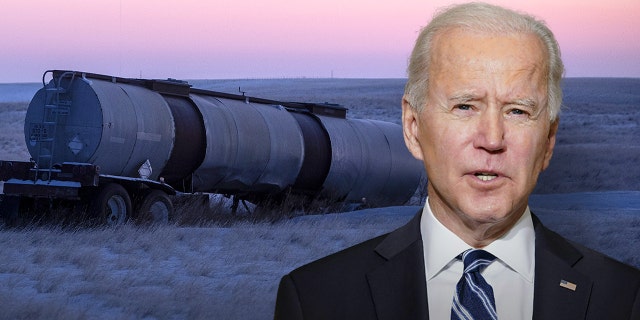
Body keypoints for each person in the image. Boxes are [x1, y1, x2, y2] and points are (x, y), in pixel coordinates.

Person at [274, 2, 640, 319]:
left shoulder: (625, 300)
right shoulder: (316, 301)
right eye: (465, 106)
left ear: (548, 141)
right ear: (413, 127)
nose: (493, 139)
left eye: (517, 111)